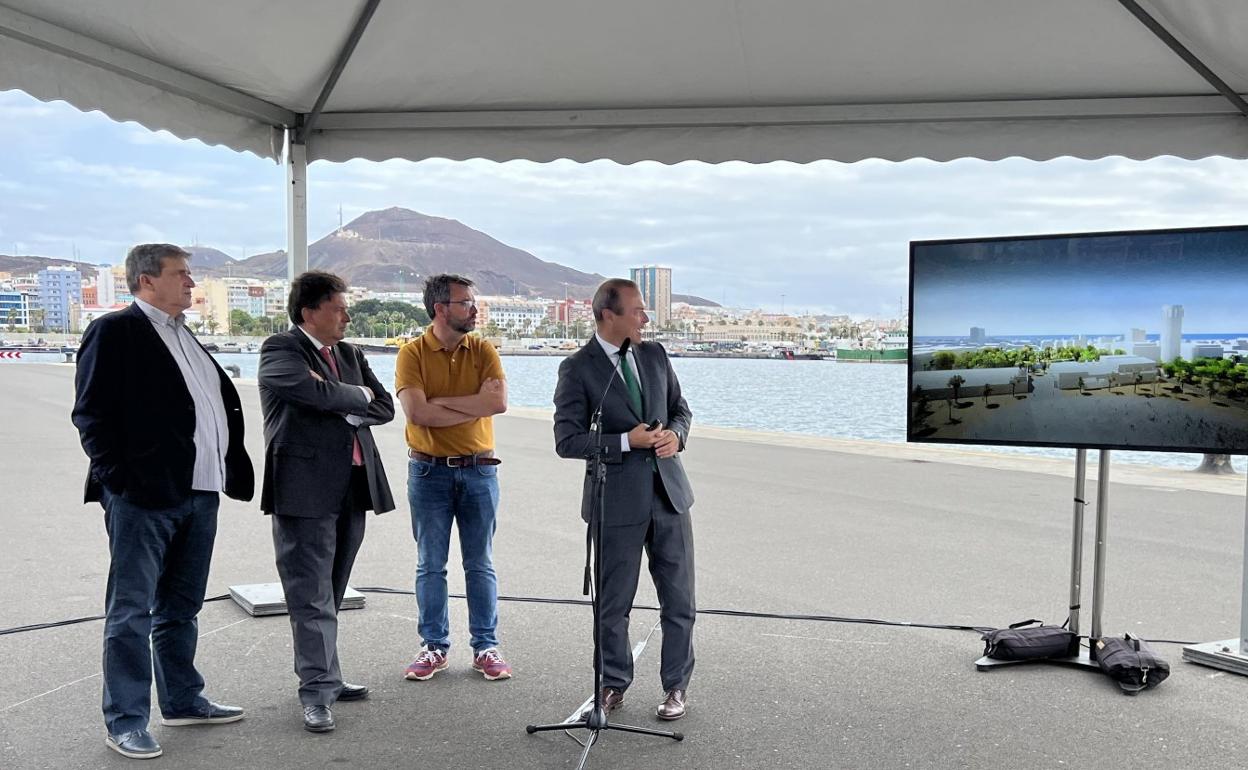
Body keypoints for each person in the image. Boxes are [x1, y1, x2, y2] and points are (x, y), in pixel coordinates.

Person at [72, 243, 254, 760]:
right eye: (182, 275)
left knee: (181, 606)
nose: (192, 283)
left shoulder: (182, 333)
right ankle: (126, 720)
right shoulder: (116, 331)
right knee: (130, 611)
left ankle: (181, 699)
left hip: (200, 492)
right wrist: (120, 482)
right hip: (144, 498)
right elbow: (91, 415)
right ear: (147, 280)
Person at [552, 278, 696, 721]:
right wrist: (624, 442)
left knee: (680, 601)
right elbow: (566, 439)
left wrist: (676, 435)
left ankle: (676, 687)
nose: (645, 319)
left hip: (669, 497)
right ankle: (612, 684)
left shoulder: (654, 354)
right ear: (607, 315)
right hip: (614, 503)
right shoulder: (577, 368)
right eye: (637, 311)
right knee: (613, 605)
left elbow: (681, 409)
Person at [258, 271, 395, 733]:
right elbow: (307, 391)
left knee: (331, 590)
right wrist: (352, 397)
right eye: (338, 308)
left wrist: (343, 397)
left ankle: (328, 678)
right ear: (309, 311)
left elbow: (385, 407)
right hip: (304, 488)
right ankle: (316, 692)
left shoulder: (350, 353)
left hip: (353, 486)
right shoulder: (280, 349)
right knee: (309, 594)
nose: (347, 317)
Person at [395, 274, 511, 682]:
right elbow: (418, 414)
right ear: (441, 308)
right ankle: (433, 646)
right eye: (465, 302)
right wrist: (470, 406)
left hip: (479, 470)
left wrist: (442, 402)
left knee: (480, 563)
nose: (474, 309)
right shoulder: (411, 354)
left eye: (473, 302)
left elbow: (496, 402)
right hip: (428, 472)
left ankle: (486, 646)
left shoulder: (483, 349)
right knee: (431, 564)